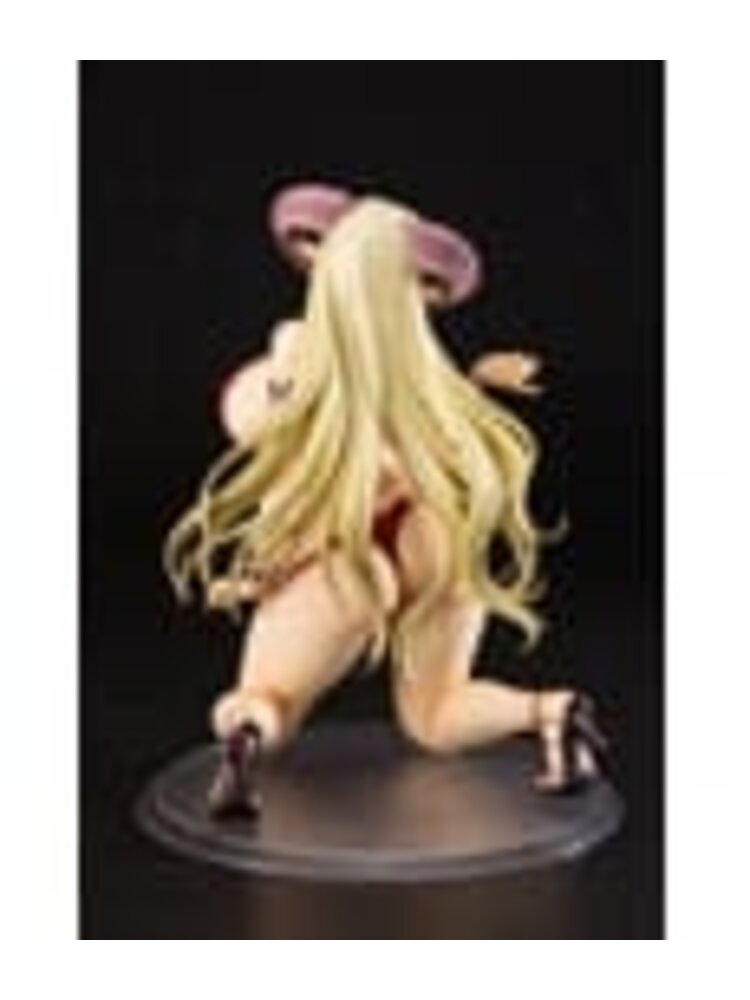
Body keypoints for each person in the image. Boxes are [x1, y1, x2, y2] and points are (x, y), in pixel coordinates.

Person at [164, 184, 607, 819]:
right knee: (437, 714)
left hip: (343, 556)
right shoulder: (423, 375)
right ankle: (552, 712)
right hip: (434, 536)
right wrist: (478, 381)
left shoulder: (294, 361)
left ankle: (245, 742)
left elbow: (293, 475)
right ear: (413, 290)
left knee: (266, 699)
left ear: (326, 266)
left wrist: (258, 572)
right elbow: (433, 447)